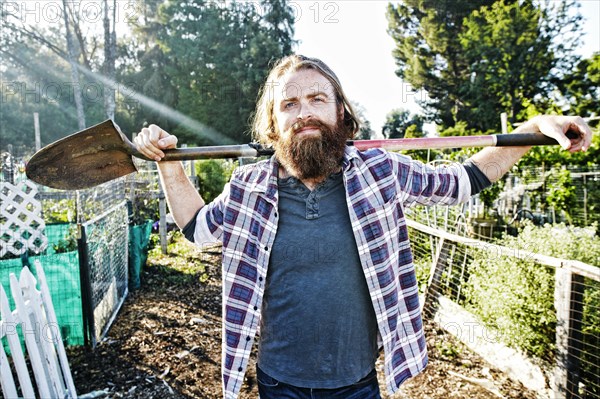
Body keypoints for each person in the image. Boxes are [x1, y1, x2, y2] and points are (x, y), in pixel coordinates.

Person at [134, 55, 592, 399]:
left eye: (317, 99)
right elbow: (197, 230)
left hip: (358, 384)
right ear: (273, 125)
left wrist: (532, 129)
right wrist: (167, 164)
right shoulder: (249, 186)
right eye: (289, 104)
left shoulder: (380, 173)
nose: (304, 112)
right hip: (278, 383)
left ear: (341, 114)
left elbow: (463, 181)